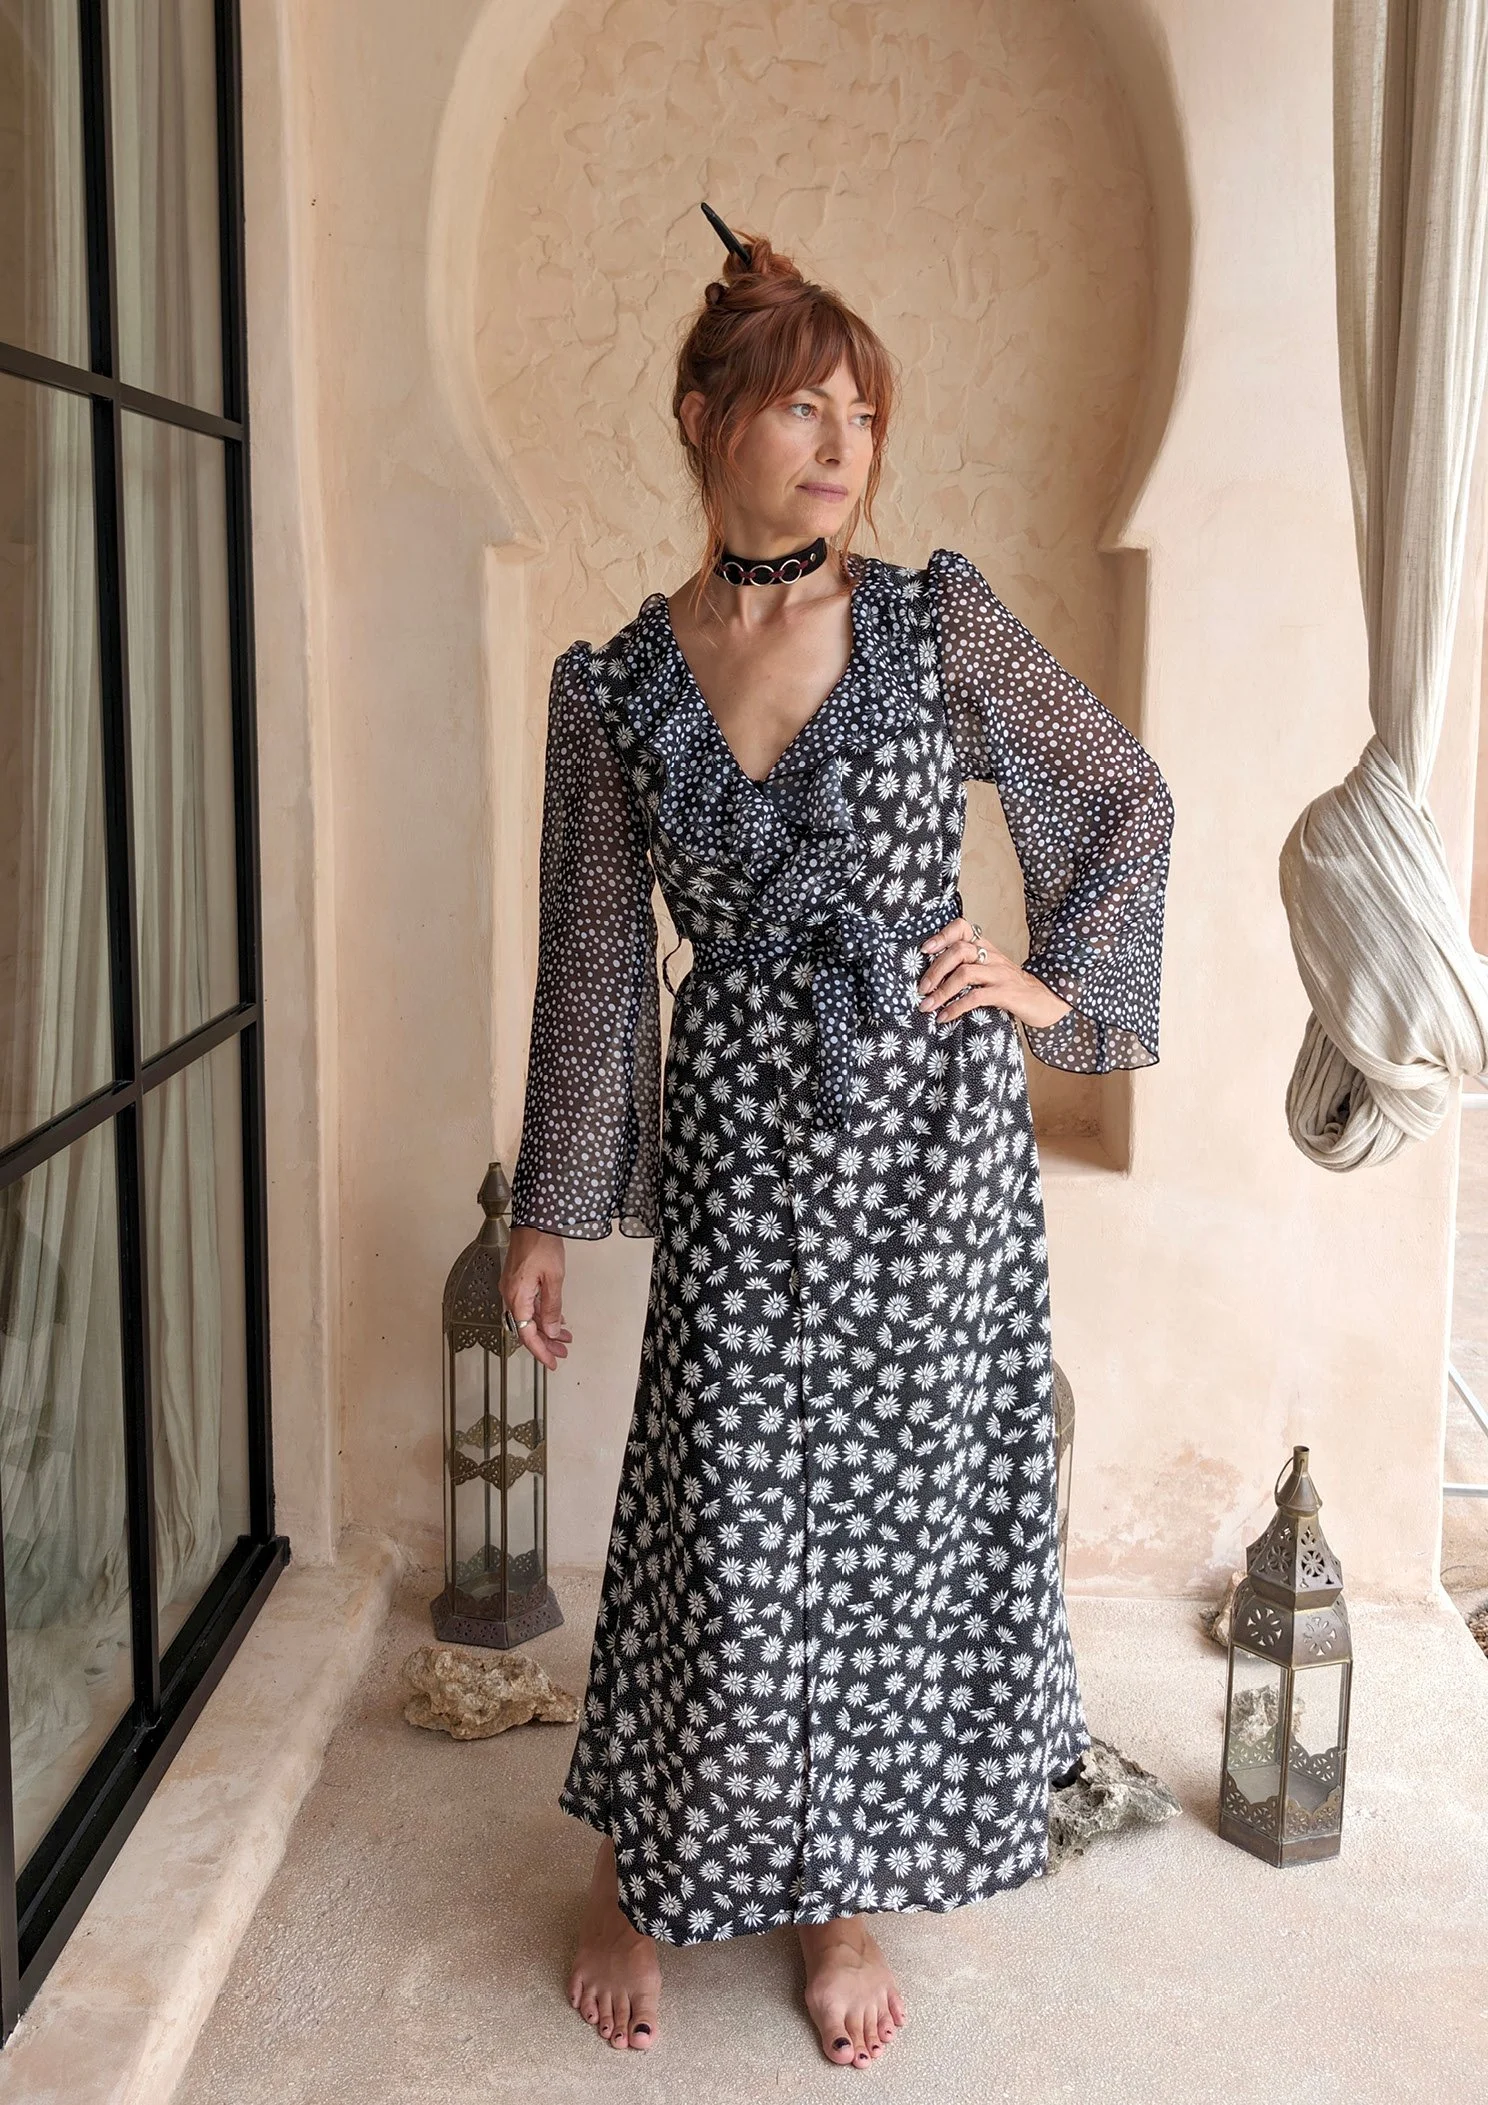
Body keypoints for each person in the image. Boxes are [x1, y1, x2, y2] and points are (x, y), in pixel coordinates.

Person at [500, 206, 1175, 2069]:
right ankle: (642, 1866)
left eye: (861, 415)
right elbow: (590, 962)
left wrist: (1049, 989)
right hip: (743, 1138)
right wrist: (548, 1215)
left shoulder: (933, 622)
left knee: (896, 1523)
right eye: (803, 408)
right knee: (715, 1504)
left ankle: (839, 1894)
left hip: (930, 1151)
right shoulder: (619, 687)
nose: (841, 446)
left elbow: (1121, 794)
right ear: (703, 421)